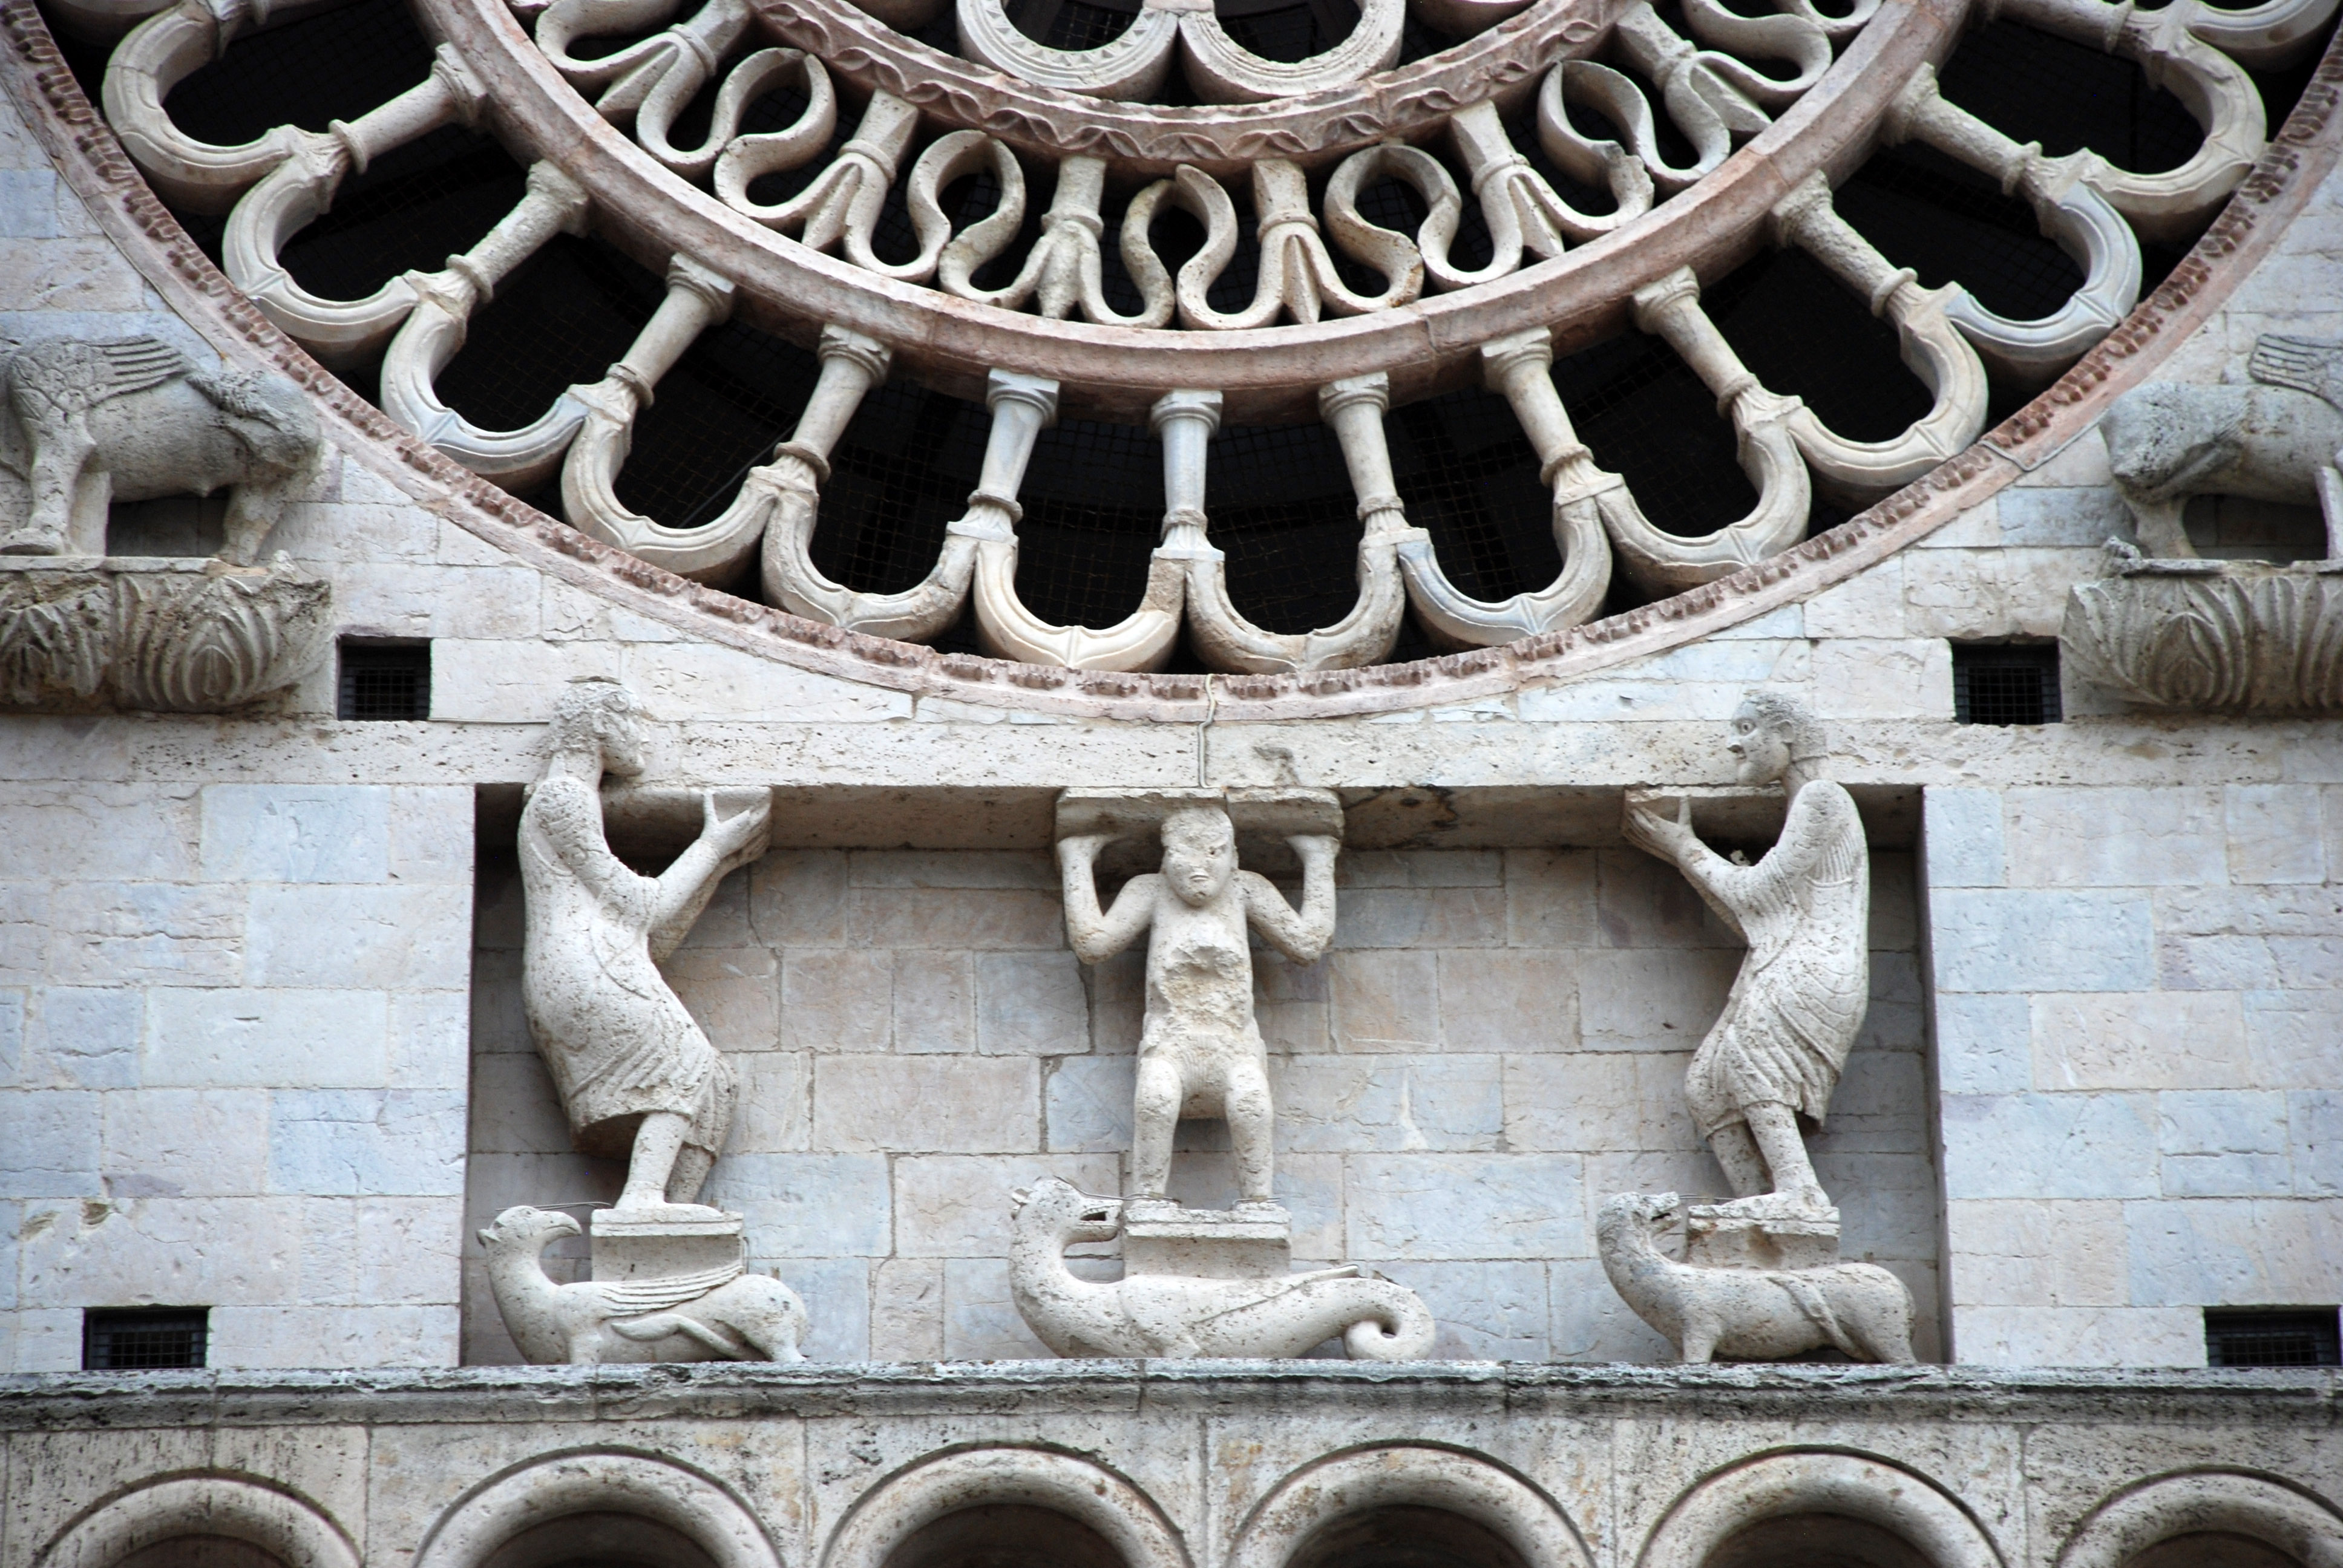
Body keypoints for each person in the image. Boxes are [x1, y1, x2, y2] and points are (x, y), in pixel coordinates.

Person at [520, 678, 771, 1216]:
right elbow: (645, 907)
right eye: (634, 722)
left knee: (714, 1083)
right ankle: (640, 1200)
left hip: (604, 962)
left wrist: (721, 861)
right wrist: (711, 847)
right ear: (601, 724)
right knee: (686, 1060)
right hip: (581, 966)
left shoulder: (573, 798)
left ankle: (667, 1220)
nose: (643, 738)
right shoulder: (563, 797)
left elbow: (650, 938)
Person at [1623, 691, 1868, 1220]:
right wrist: (1686, 857)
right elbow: (1751, 918)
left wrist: (1684, 848)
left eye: (1746, 728)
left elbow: (1753, 894)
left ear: (1787, 735)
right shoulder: (1805, 806)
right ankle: (1759, 1202)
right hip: (1783, 958)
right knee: (1707, 1085)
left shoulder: (1822, 798)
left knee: (1748, 1056)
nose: (1734, 744)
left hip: (1815, 966)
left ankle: (1800, 1194)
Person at [1058, 805, 1338, 1212]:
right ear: (1165, 860)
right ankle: (1148, 1200)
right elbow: (1093, 943)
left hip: (1235, 1048)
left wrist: (1318, 859)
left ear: (1233, 858)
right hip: (1171, 1047)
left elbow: (1307, 943)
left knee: (1252, 1105)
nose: (1199, 868)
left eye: (1214, 853)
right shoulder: (1150, 891)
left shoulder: (1246, 889)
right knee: (1155, 1101)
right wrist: (1078, 860)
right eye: (1183, 855)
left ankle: (1258, 1204)